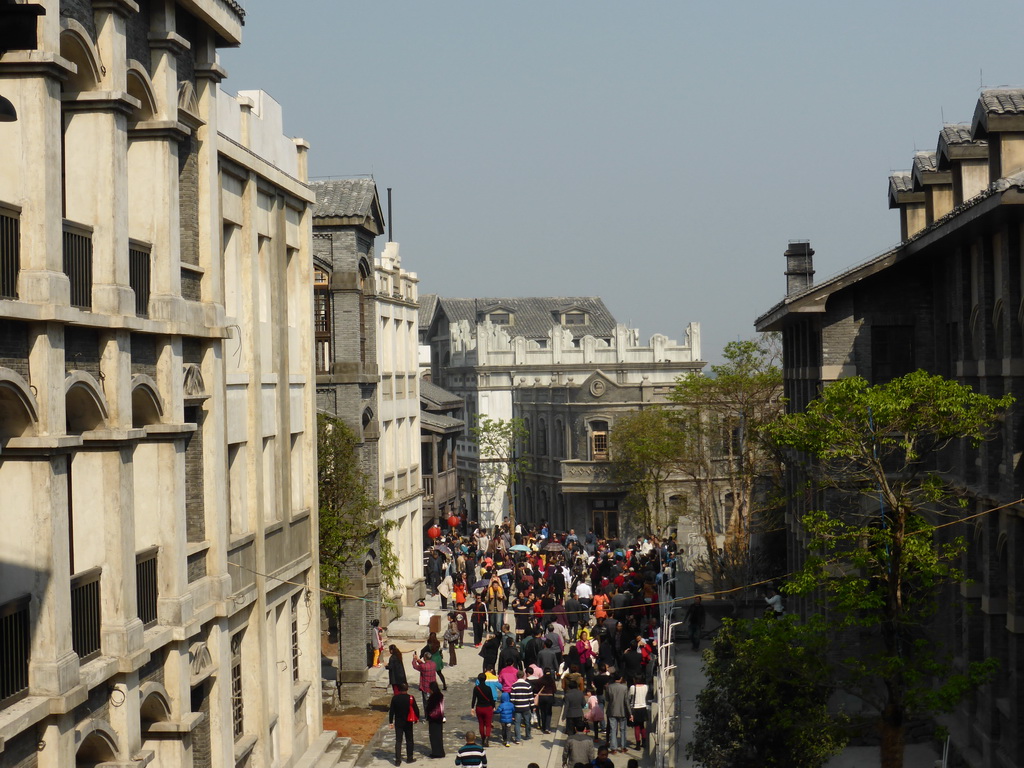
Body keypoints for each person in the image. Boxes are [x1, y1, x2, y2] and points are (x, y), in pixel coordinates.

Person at [388, 682, 420, 767]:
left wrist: (391, 722)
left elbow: (391, 712)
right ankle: (409, 758)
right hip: (408, 722)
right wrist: (417, 718)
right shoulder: (411, 698)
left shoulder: (395, 698)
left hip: (398, 722)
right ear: (407, 689)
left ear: (399, 689)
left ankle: (398, 760)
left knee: (398, 741)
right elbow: (416, 709)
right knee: (409, 740)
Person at [604, 673, 629, 754]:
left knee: (613, 729)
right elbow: (626, 701)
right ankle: (623, 747)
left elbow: (607, 699)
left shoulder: (609, 687)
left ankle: (613, 748)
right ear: (621, 678)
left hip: (612, 710)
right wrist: (630, 712)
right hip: (622, 711)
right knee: (623, 729)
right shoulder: (624, 687)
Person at [471, 672, 496, 747]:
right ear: (485, 679)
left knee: (481, 724)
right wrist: (493, 706)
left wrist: (472, 708)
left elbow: (474, 699)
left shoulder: (476, 688)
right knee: (488, 724)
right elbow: (491, 699)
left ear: (478, 679)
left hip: (479, 707)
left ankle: (483, 738)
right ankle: (487, 739)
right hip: (488, 708)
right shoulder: (488, 688)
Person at [510, 670, 534, 742]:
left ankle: (518, 738)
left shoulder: (514, 686)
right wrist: (532, 707)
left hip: (517, 707)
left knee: (517, 723)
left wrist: (512, 709)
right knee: (527, 722)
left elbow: (512, 699)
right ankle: (528, 735)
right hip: (526, 707)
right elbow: (531, 697)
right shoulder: (528, 685)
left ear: (517, 676)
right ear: (524, 676)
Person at [627, 676, 650, 751]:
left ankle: (638, 744)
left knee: (636, 727)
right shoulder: (646, 687)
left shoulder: (633, 687)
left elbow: (629, 697)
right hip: (643, 707)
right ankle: (644, 742)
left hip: (635, 708)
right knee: (642, 726)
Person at [425, 681, 445, 759]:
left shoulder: (433, 697)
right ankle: (440, 751)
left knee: (433, 736)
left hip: (433, 719)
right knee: (439, 735)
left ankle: (436, 752)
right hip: (440, 718)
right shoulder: (441, 695)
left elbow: (430, 708)